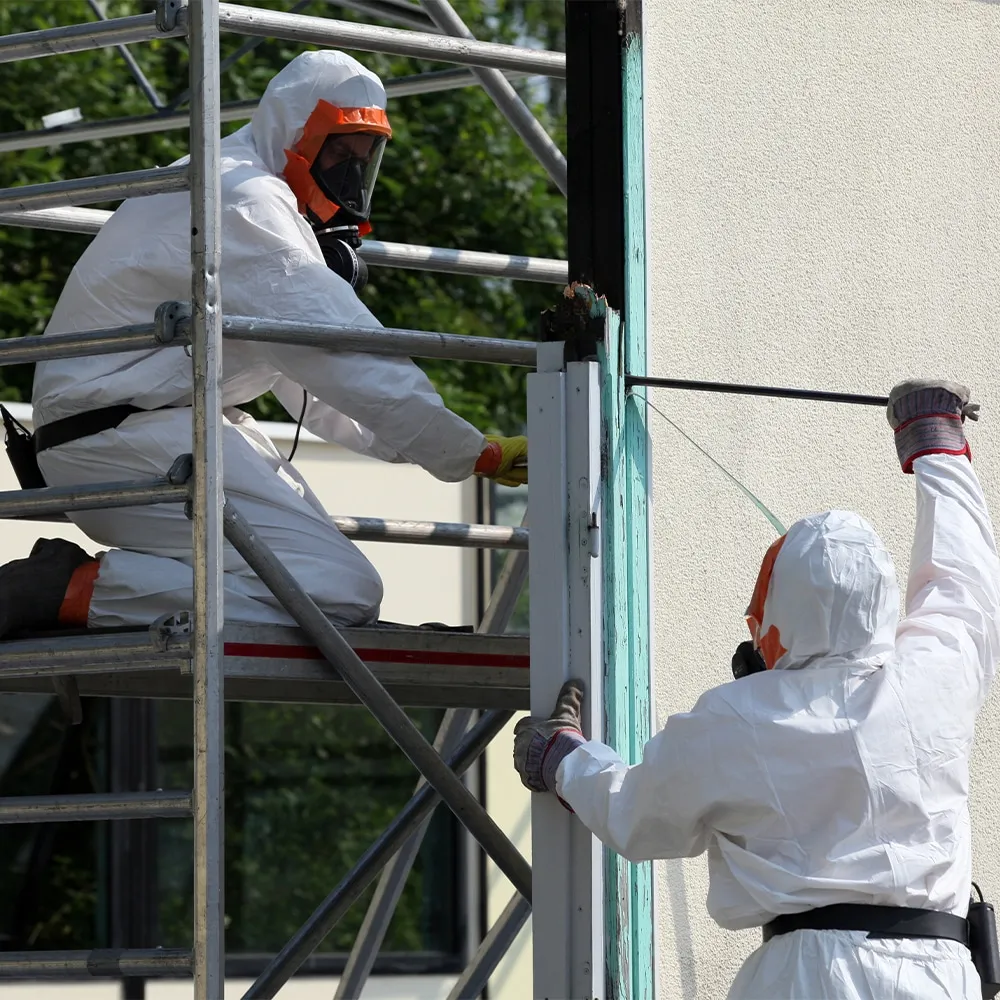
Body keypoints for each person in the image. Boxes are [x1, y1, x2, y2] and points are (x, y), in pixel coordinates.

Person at [0, 50, 526, 638]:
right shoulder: (246, 198)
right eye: (337, 152)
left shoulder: (244, 188)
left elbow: (313, 383)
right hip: (122, 436)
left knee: (335, 589)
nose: (349, 175)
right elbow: (338, 350)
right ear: (294, 131)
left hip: (147, 427)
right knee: (337, 593)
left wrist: (453, 449)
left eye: (363, 158)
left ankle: (91, 589)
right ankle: (69, 589)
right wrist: (464, 450)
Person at [514, 379, 1000, 999]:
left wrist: (562, 758)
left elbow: (638, 813)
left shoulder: (739, 716)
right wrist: (937, 445)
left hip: (811, 976)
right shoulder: (936, 675)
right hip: (944, 974)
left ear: (779, 617)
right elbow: (963, 580)